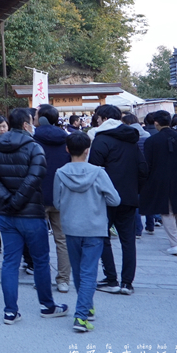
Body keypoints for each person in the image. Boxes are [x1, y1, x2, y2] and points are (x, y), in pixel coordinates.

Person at [0, 107, 68, 323]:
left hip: (6, 213)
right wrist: (18, 200)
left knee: (9, 262)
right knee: (40, 261)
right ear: (25, 124)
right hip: (31, 214)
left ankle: (10, 311)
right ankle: (47, 306)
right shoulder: (34, 148)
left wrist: (7, 200)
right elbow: (35, 177)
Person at [54, 130, 121, 333]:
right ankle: (81, 316)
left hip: (71, 227)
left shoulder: (60, 173)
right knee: (89, 272)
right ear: (87, 150)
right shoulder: (99, 172)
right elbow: (115, 200)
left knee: (78, 271)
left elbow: (57, 203)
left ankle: (86, 307)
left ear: (67, 149)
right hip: (94, 227)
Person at [88, 104, 148, 295]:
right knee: (128, 239)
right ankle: (127, 283)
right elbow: (143, 169)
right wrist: (134, 189)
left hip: (105, 197)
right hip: (129, 196)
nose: (96, 120)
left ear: (103, 118)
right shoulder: (131, 139)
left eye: (97, 117)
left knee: (102, 236)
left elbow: (93, 170)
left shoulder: (101, 139)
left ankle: (111, 279)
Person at [139, 110, 177, 255]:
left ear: (156, 122)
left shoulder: (151, 141)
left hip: (160, 179)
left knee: (167, 212)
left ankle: (174, 243)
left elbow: (148, 164)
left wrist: (145, 182)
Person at [34, 103, 72, 293]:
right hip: (61, 196)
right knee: (62, 240)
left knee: (39, 240)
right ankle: (63, 280)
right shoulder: (67, 140)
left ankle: (41, 279)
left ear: (41, 119)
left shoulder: (34, 140)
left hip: (38, 195)